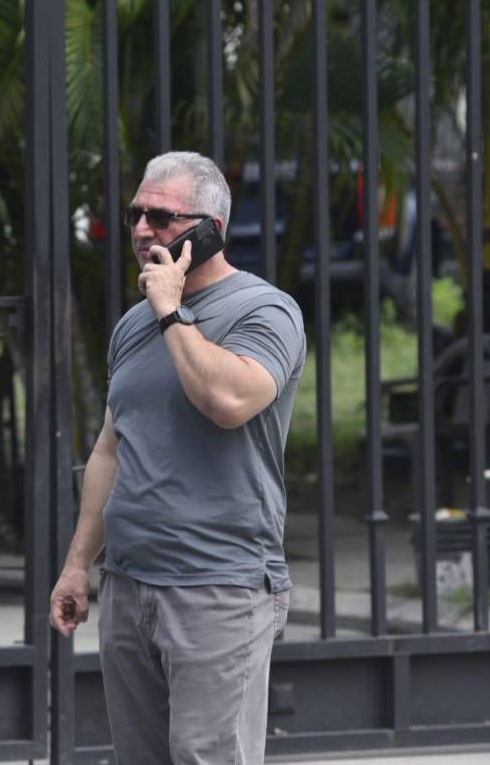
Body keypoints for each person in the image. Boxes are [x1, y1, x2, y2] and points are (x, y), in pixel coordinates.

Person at [49, 151, 306, 764]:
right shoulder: (132, 324)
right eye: (136, 213)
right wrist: (78, 564)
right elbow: (112, 446)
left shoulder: (264, 311)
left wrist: (170, 308)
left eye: (161, 218)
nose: (141, 230)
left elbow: (226, 399)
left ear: (210, 227)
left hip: (220, 584)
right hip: (131, 583)